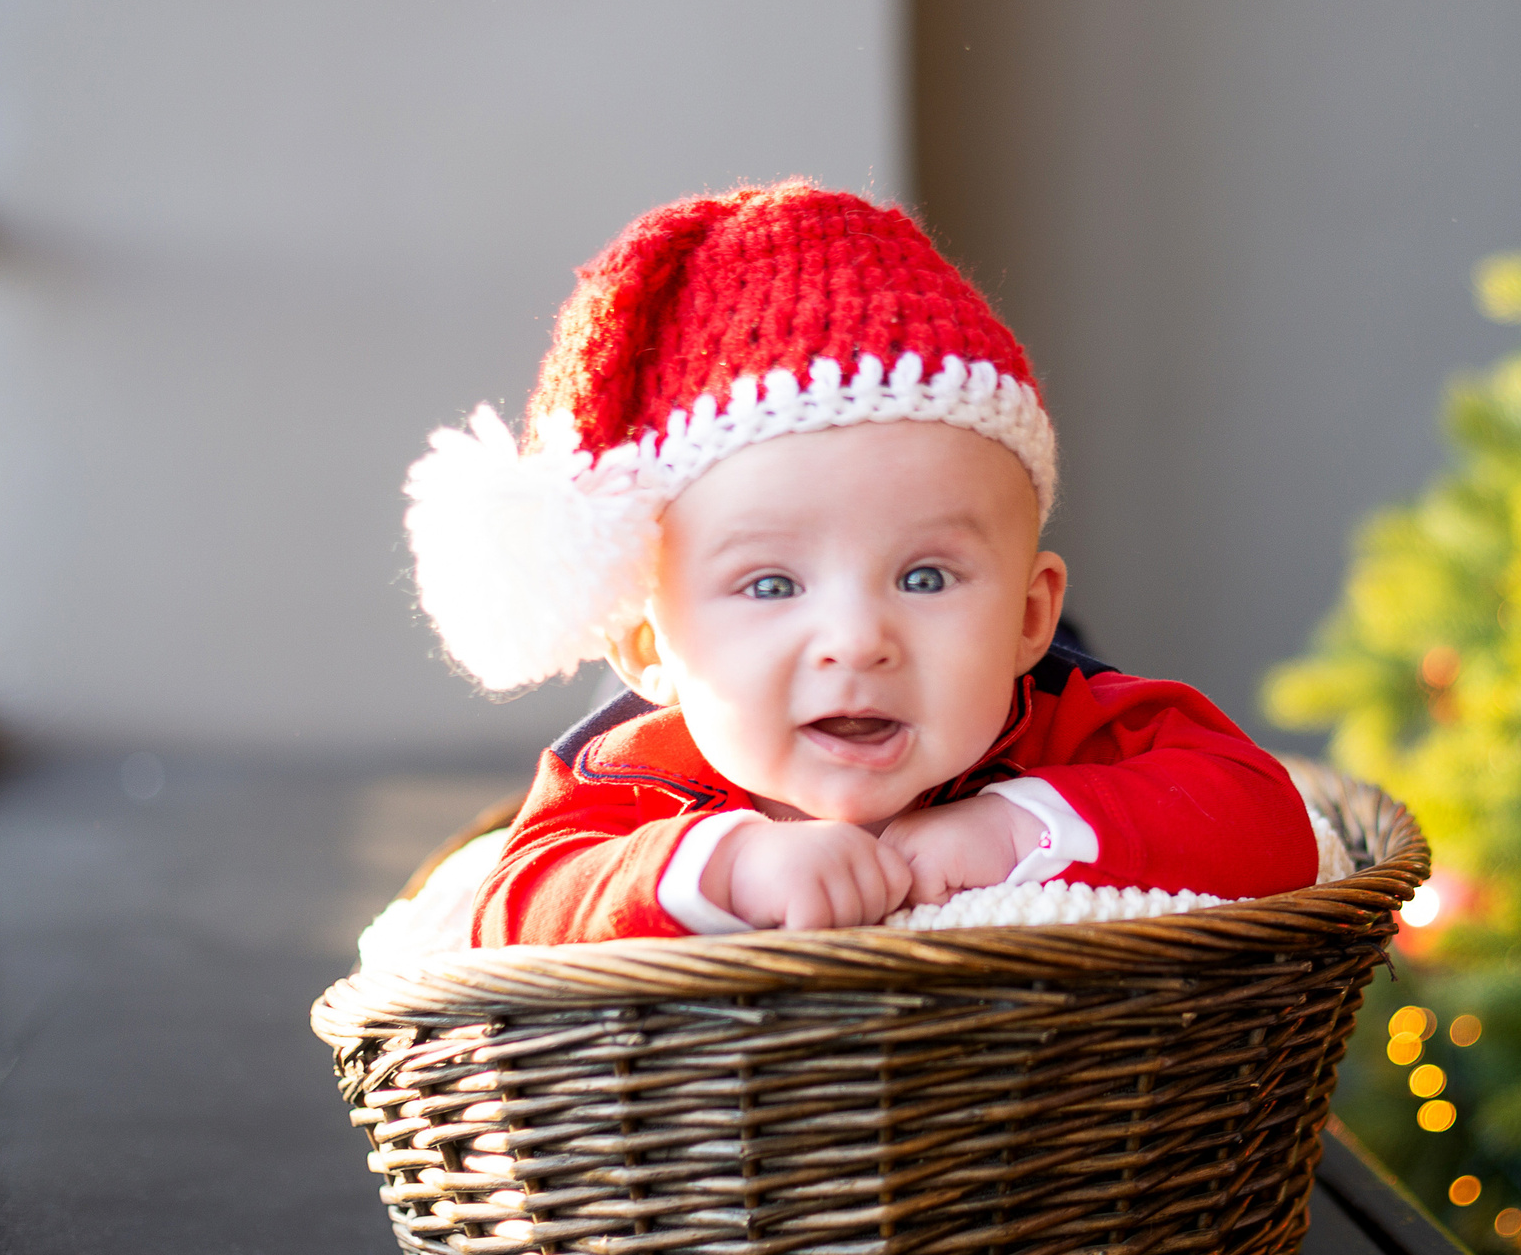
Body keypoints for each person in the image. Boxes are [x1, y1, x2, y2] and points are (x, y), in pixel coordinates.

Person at [402, 182, 1317, 946]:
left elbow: (1270, 821)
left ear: (1030, 616)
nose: (857, 639)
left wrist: (1011, 829)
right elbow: (510, 905)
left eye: (924, 577)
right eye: (772, 584)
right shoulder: (635, 772)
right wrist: (725, 866)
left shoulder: (1070, 723)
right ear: (649, 646)